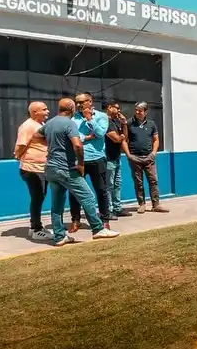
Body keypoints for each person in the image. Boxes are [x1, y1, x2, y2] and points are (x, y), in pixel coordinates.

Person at [38, 98, 120, 245]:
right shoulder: (70, 123)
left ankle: (59, 236)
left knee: (57, 204)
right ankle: (98, 229)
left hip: (50, 168)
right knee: (88, 197)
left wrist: (54, 145)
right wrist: (81, 163)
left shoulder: (49, 123)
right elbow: (77, 145)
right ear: (71, 109)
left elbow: (36, 136)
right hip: (66, 168)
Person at [67, 92, 111, 232]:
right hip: (78, 160)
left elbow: (100, 134)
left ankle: (104, 220)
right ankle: (75, 220)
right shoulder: (72, 118)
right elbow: (72, 136)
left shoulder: (102, 116)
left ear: (90, 102)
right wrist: (87, 137)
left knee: (101, 190)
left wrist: (89, 119)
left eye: (82, 102)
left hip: (97, 158)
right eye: (77, 102)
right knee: (75, 191)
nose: (79, 105)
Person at [14, 101, 52, 241]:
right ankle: (36, 229)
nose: (47, 111)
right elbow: (21, 146)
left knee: (40, 196)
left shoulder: (40, 125)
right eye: (44, 109)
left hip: (42, 168)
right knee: (37, 197)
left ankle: (35, 227)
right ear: (35, 112)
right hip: (32, 169)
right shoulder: (27, 126)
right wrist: (20, 156)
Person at [123, 101, 169, 213]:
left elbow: (156, 140)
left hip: (149, 157)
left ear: (146, 111)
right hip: (135, 158)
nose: (138, 112)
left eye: (140, 110)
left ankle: (156, 204)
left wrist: (153, 153)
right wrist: (128, 155)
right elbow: (123, 140)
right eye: (136, 110)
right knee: (138, 182)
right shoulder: (129, 123)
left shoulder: (151, 124)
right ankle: (142, 204)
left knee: (153, 181)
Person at [104, 100, 131, 218]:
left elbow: (124, 138)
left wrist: (124, 124)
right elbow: (116, 139)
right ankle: (108, 210)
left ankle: (117, 208)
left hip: (116, 157)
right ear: (109, 108)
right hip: (108, 158)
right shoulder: (105, 122)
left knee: (117, 184)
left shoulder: (115, 121)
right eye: (117, 108)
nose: (119, 110)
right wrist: (121, 137)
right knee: (108, 185)